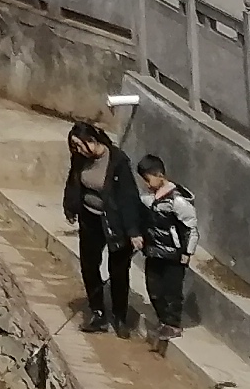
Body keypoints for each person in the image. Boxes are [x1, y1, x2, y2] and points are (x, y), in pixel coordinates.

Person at [66, 123, 144, 332]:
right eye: (74, 146)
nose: (78, 150)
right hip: (90, 220)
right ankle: (98, 312)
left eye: (80, 145)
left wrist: (133, 231)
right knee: (89, 265)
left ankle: (120, 316)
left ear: (92, 141)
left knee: (118, 270)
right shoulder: (79, 160)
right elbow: (73, 182)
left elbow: (129, 198)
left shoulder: (117, 162)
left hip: (114, 222)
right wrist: (70, 207)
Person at [135, 156, 200, 348]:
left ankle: (172, 323)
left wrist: (187, 252)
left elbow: (191, 229)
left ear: (159, 175)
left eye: (148, 179)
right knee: (154, 288)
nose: (146, 184)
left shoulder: (178, 201)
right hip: (153, 251)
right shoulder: (147, 198)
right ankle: (163, 320)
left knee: (171, 290)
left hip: (173, 253)